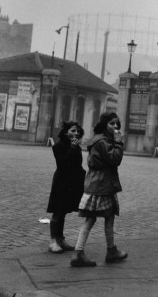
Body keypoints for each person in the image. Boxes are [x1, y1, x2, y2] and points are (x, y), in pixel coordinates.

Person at [70, 112, 127, 267]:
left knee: (105, 216)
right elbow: (115, 159)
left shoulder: (100, 139)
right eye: (112, 123)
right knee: (94, 218)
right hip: (101, 185)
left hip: (99, 183)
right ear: (104, 125)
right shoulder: (103, 142)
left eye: (117, 123)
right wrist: (119, 143)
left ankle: (108, 250)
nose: (115, 127)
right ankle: (82, 252)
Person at [46, 121, 86, 253]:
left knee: (64, 211)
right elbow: (62, 164)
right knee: (57, 211)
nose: (76, 134)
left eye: (77, 131)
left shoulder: (75, 146)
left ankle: (60, 239)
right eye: (73, 131)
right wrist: (73, 148)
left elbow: (77, 164)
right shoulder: (58, 146)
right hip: (61, 182)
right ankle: (53, 241)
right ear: (65, 132)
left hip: (72, 182)